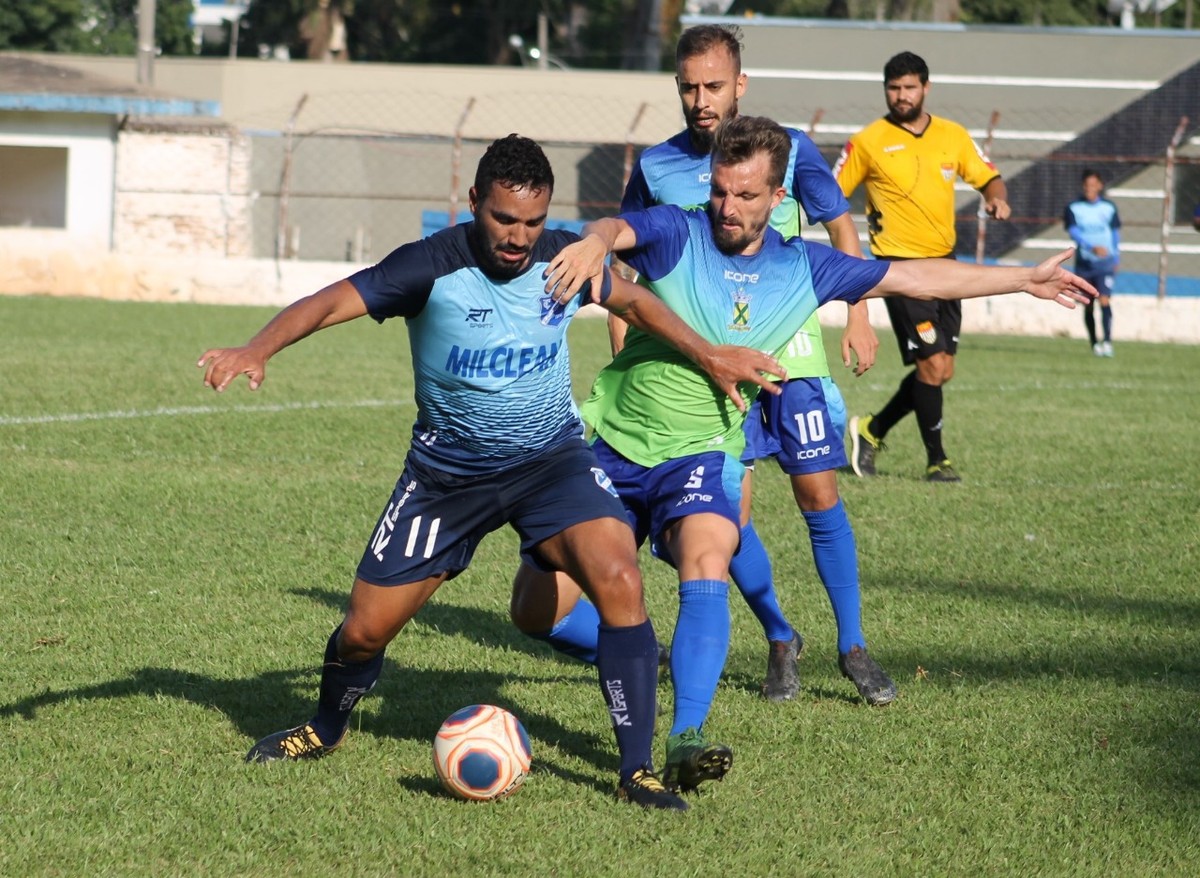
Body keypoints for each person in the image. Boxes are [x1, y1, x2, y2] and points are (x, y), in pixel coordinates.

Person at [196, 134, 785, 812]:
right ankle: (324, 729)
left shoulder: (563, 258)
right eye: (505, 219)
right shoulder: (431, 265)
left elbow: (634, 303)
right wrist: (257, 347)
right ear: (475, 202)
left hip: (551, 463)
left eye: (532, 223)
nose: (518, 237)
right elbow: (331, 301)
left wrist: (709, 355)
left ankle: (636, 770)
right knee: (362, 630)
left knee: (620, 577)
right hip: (448, 477)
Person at [518, 116, 1095, 794]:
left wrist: (1022, 278)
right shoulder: (679, 231)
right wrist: (591, 242)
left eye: (745, 196)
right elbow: (619, 231)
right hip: (616, 442)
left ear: (777, 196)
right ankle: (643, 652)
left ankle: (686, 736)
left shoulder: (803, 267)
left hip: (704, 453)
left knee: (708, 556)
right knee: (534, 608)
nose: (727, 209)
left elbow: (917, 276)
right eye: (720, 192)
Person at [516, 22, 898, 711]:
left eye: (713, 86)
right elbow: (628, 263)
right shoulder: (657, 168)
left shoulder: (787, 149)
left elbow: (842, 228)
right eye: (688, 87)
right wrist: (627, 343)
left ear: (738, 84)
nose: (700, 99)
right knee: (725, 519)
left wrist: (862, 315)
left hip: (790, 347)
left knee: (817, 493)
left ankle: (854, 646)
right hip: (699, 366)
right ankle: (780, 635)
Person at [836, 51, 1011, 483]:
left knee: (942, 370)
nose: (901, 96)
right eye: (893, 88)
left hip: (947, 268)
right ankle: (937, 460)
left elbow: (988, 175)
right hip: (900, 269)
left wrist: (995, 196)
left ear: (926, 88)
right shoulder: (868, 141)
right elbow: (831, 192)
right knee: (932, 366)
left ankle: (871, 430)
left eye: (909, 87)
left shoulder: (953, 135)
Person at [1064, 169, 1120, 357]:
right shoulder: (1074, 208)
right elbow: (1073, 232)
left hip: (1104, 263)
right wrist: (1090, 246)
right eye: (1087, 185)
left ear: (1100, 186)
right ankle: (1094, 343)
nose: (1090, 188)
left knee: (1104, 300)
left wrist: (1116, 256)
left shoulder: (1109, 208)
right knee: (1088, 303)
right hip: (1084, 264)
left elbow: (1114, 234)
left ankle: (1108, 342)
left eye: (1093, 185)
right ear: (1083, 186)